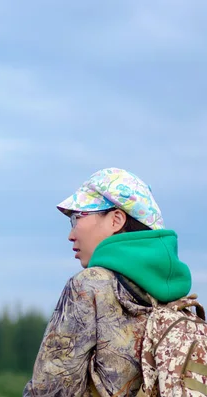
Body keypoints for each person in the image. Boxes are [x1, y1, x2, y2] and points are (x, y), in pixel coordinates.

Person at [22, 167, 193, 396]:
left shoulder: (89, 285)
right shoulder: (180, 297)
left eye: (76, 218)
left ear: (116, 220)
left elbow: (51, 390)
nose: (71, 235)